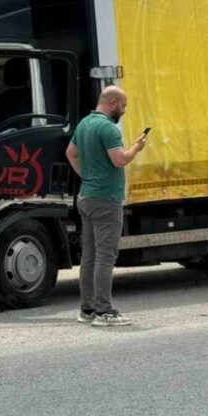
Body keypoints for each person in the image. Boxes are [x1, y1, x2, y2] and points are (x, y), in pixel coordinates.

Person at [66, 86, 147, 326]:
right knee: (105, 256)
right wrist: (136, 147)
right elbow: (119, 159)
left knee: (89, 256)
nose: (124, 110)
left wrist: (87, 176)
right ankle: (104, 311)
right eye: (123, 105)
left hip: (86, 197)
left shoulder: (84, 124)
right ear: (112, 102)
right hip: (106, 200)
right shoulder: (108, 128)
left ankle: (87, 310)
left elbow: (71, 153)